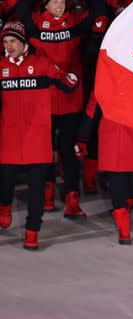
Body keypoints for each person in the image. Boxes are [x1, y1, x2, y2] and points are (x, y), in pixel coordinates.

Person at [15, 0, 106, 217]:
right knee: (45, 151)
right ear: (44, 5)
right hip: (43, 101)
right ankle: (47, 195)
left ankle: (72, 200)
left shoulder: (75, 22)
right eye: (54, 1)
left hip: (70, 100)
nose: (60, 4)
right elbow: (20, 7)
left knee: (70, 152)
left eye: (62, 0)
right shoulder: (34, 23)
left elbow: (98, 9)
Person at [0, 21, 79, 250]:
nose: (9, 46)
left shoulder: (42, 64)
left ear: (23, 42)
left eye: (13, 41)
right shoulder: (1, 66)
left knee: (37, 191)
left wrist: (72, 78)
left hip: (37, 140)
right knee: (5, 184)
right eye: (5, 42)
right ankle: (4, 205)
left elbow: (67, 83)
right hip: (9, 140)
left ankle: (32, 232)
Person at [77, 92, 133, 245]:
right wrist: (82, 138)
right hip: (111, 135)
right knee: (117, 182)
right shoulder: (104, 80)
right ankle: (124, 227)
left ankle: (125, 206)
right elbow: (92, 109)